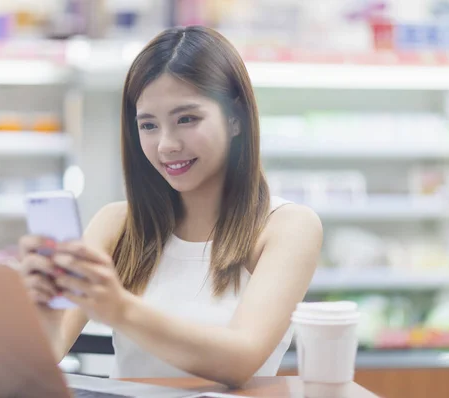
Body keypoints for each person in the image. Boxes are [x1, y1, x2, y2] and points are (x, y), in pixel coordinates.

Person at [18, 25, 322, 388]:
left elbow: (240, 359)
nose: (166, 145)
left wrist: (120, 309)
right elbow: (46, 353)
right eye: (148, 125)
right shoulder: (116, 224)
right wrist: (41, 301)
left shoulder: (286, 227)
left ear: (235, 119)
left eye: (186, 119)